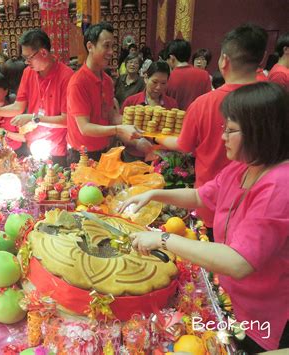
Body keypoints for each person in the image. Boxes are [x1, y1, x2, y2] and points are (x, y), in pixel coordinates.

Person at [120, 82, 289, 353]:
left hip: (264, 315)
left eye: (231, 130)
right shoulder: (243, 168)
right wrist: (153, 194)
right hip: (233, 300)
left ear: (261, 131)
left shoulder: (280, 184)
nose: (223, 137)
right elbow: (201, 196)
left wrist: (163, 239)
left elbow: (238, 262)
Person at [157, 24, 268, 228]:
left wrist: (156, 137)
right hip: (259, 206)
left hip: (211, 201)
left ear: (224, 60)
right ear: (262, 57)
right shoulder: (274, 100)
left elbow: (184, 145)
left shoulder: (204, 104)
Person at [0, 29, 73, 166]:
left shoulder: (66, 76)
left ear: (43, 52)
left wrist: (34, 119)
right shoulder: (28, 73)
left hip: (56, 148)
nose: (26, 62)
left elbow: (66, 120)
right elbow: (18, 107)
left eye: (28, 57)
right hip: (32, 144)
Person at [66, 22, 141, 163]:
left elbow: (111, 116)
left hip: (103, 150)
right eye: (106, 46)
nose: (111, 52)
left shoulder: (107, 80)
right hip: (82, 155)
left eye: (113, 47)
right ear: (90, 47)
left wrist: (138, 123)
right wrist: (119, 130)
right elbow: (85, 128)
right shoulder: (78, 82)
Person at [165, 39, 212, 109]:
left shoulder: (168, 76)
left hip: (174, 118)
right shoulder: (204, 75)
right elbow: (208, 102)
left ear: (172, 58)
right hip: (197, 118)